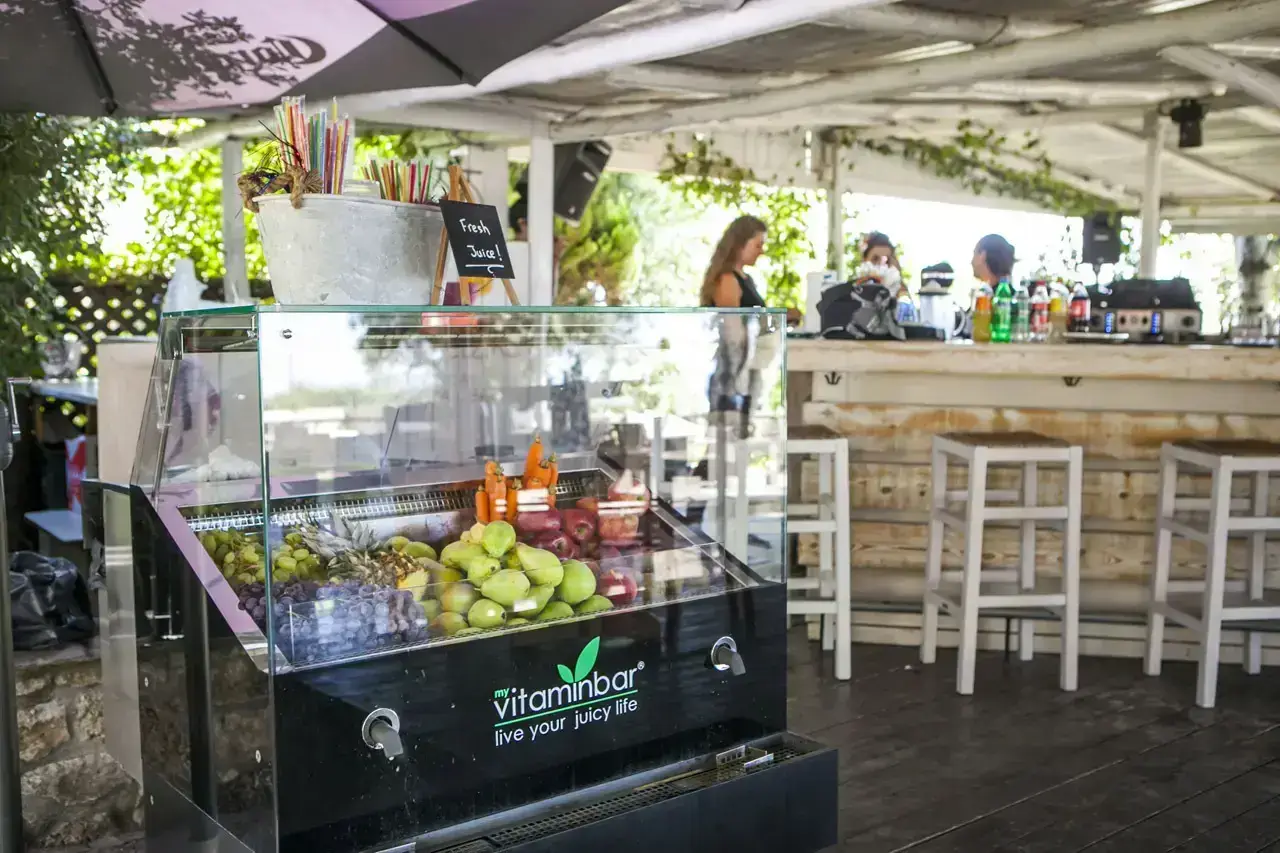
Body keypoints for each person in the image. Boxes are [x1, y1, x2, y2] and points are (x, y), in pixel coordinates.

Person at [701, 215, 768, 309]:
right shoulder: (727, 280)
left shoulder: (746, 279)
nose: (761, 251)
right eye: (758, 246)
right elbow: (730, 318)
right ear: (740, 244)